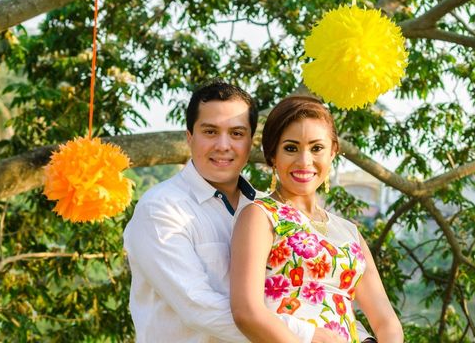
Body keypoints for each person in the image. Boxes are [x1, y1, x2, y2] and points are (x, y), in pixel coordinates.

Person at [124, 81, 370, 342]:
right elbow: (198, 307)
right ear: (189, 137)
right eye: (210, 131)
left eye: (237, 133)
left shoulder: (271, 212)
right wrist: (307, 335)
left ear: (251, 142)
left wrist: (359, 337)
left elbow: (320, 288)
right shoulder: (161, 208)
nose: (223, 145)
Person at [230, 95, 404, 342]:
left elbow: (387, 323)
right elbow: (246, 312)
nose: (304, 161)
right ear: (272, 156)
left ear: (333, 151)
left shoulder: (349, 231)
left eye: (316, 148)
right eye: (291, 148)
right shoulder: (260, 216)